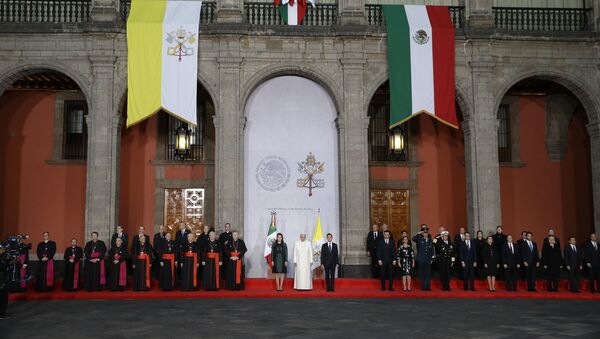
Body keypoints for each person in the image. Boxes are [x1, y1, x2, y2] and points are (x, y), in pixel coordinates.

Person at [412, 224, 434, 291]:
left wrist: (432, 258)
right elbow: (413, 239)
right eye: (424, 233)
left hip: (428, 259)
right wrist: (419, 233)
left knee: (428, 273)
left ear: (428, 233)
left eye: (426, 233)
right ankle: (423, 287)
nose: (425, 234)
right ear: (422, 233)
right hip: (421, 259)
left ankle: (428, 287)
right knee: (421, 273)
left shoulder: (430, 240)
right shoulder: (419, 239)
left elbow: (432, 250)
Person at [0, 243, 14, 319]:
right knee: (2, 296)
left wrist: (11, 263)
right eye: (2, 249)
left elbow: (6, 266)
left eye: (4, 249)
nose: (4, 250)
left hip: (4, 278)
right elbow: (2, 266)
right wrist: (9, 263)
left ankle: (3, 313)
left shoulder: (3, 256)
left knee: (4, 297)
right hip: (1, 279)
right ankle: (1, 314)